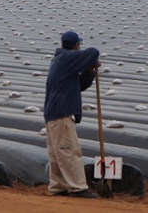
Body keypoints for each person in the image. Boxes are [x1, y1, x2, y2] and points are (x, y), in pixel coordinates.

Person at [44, 31, 100, 198]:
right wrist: (91, 60)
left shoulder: (61, 61)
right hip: (61, 113)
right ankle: (78, 188)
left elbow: (79, 85)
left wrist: (89, 71)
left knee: (57, 152)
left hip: (53, 113)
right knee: (69, 151)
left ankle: (59, 186)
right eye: (79, 45)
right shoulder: (67, 58)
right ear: (76, 46)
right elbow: (94, 52)